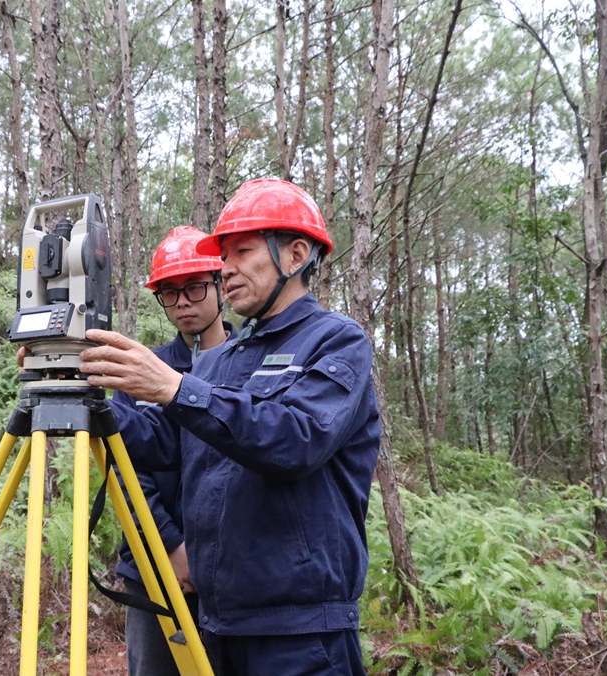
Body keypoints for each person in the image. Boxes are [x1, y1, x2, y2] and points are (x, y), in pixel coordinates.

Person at [75, 178, 381, 676]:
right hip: (217, 625)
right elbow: (166, 443)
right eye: (224, 255)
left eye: (241, 250)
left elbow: (297, 439)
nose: (226, 267)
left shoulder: (337, 342)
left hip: (300, 631)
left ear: (297, 253)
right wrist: (80, 393)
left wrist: (177, 389)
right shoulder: (222, 361)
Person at [112, 225, 234, 676]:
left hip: (233, 573)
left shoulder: (252, 365)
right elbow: (125, 471)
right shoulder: (141, 370)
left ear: (221, 286)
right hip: (151, 567)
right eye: (169, 293)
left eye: (194, 287)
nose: (182, 302)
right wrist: (170, 546)